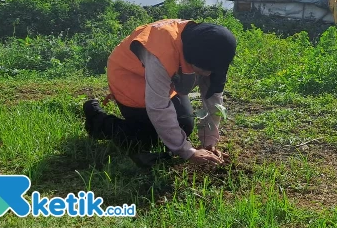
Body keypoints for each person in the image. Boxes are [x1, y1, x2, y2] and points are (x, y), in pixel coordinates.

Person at [82, 18, 237, 168]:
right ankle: (96, 119)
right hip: (129, 77)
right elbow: (158, 107)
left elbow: (213, 97)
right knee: (148, 137)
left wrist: (209, 142)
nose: (208, 74)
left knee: (183, 127)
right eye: (203, 70)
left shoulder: (215, 51)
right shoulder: (162, 52)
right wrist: (188, 152)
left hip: (162, 80)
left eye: (212, 70)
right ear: (190, 58)